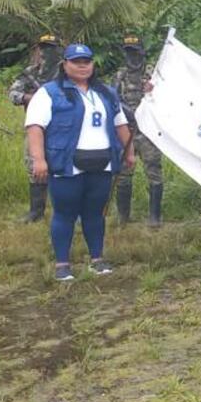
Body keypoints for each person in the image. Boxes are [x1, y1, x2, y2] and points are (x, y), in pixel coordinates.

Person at [24, 44, 134, 281]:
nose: (82, 66)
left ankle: (97, 259)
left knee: (95, 213)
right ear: (65, 64)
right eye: (76, 62)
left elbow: (120, 124)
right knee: (65, 213)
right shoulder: (50, 92)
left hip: (102, 162)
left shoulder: (106, 93)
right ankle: (62, 263)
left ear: (93, 65)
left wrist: (129, 152)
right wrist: (39, 159)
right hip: (66, 162)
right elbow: (35, 127)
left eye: (87, 61)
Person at [112, 33, 165, 226]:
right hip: (127, 130)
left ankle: (154, 217)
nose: (132, 57)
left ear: (142, 52)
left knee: (154, 172)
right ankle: (123, 217)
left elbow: (164, 100)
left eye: (135, 53)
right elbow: (113, 100)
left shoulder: (153, 74)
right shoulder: (120, 75)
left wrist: (153, 91)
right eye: (128, 53)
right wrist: (127, 113)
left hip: (148, 132)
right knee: (124, 173)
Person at [9, 33, 61, 222]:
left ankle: (66, 211)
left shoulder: (66, 72)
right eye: (44, 48)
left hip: (63, 127)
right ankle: (36, 212)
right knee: (34, 167)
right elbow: (13, 93)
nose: (47, 52)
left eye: (51, 48)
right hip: (36, 128)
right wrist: (30, 98)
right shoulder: (30, 73)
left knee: (65, 168)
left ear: (58, 50)